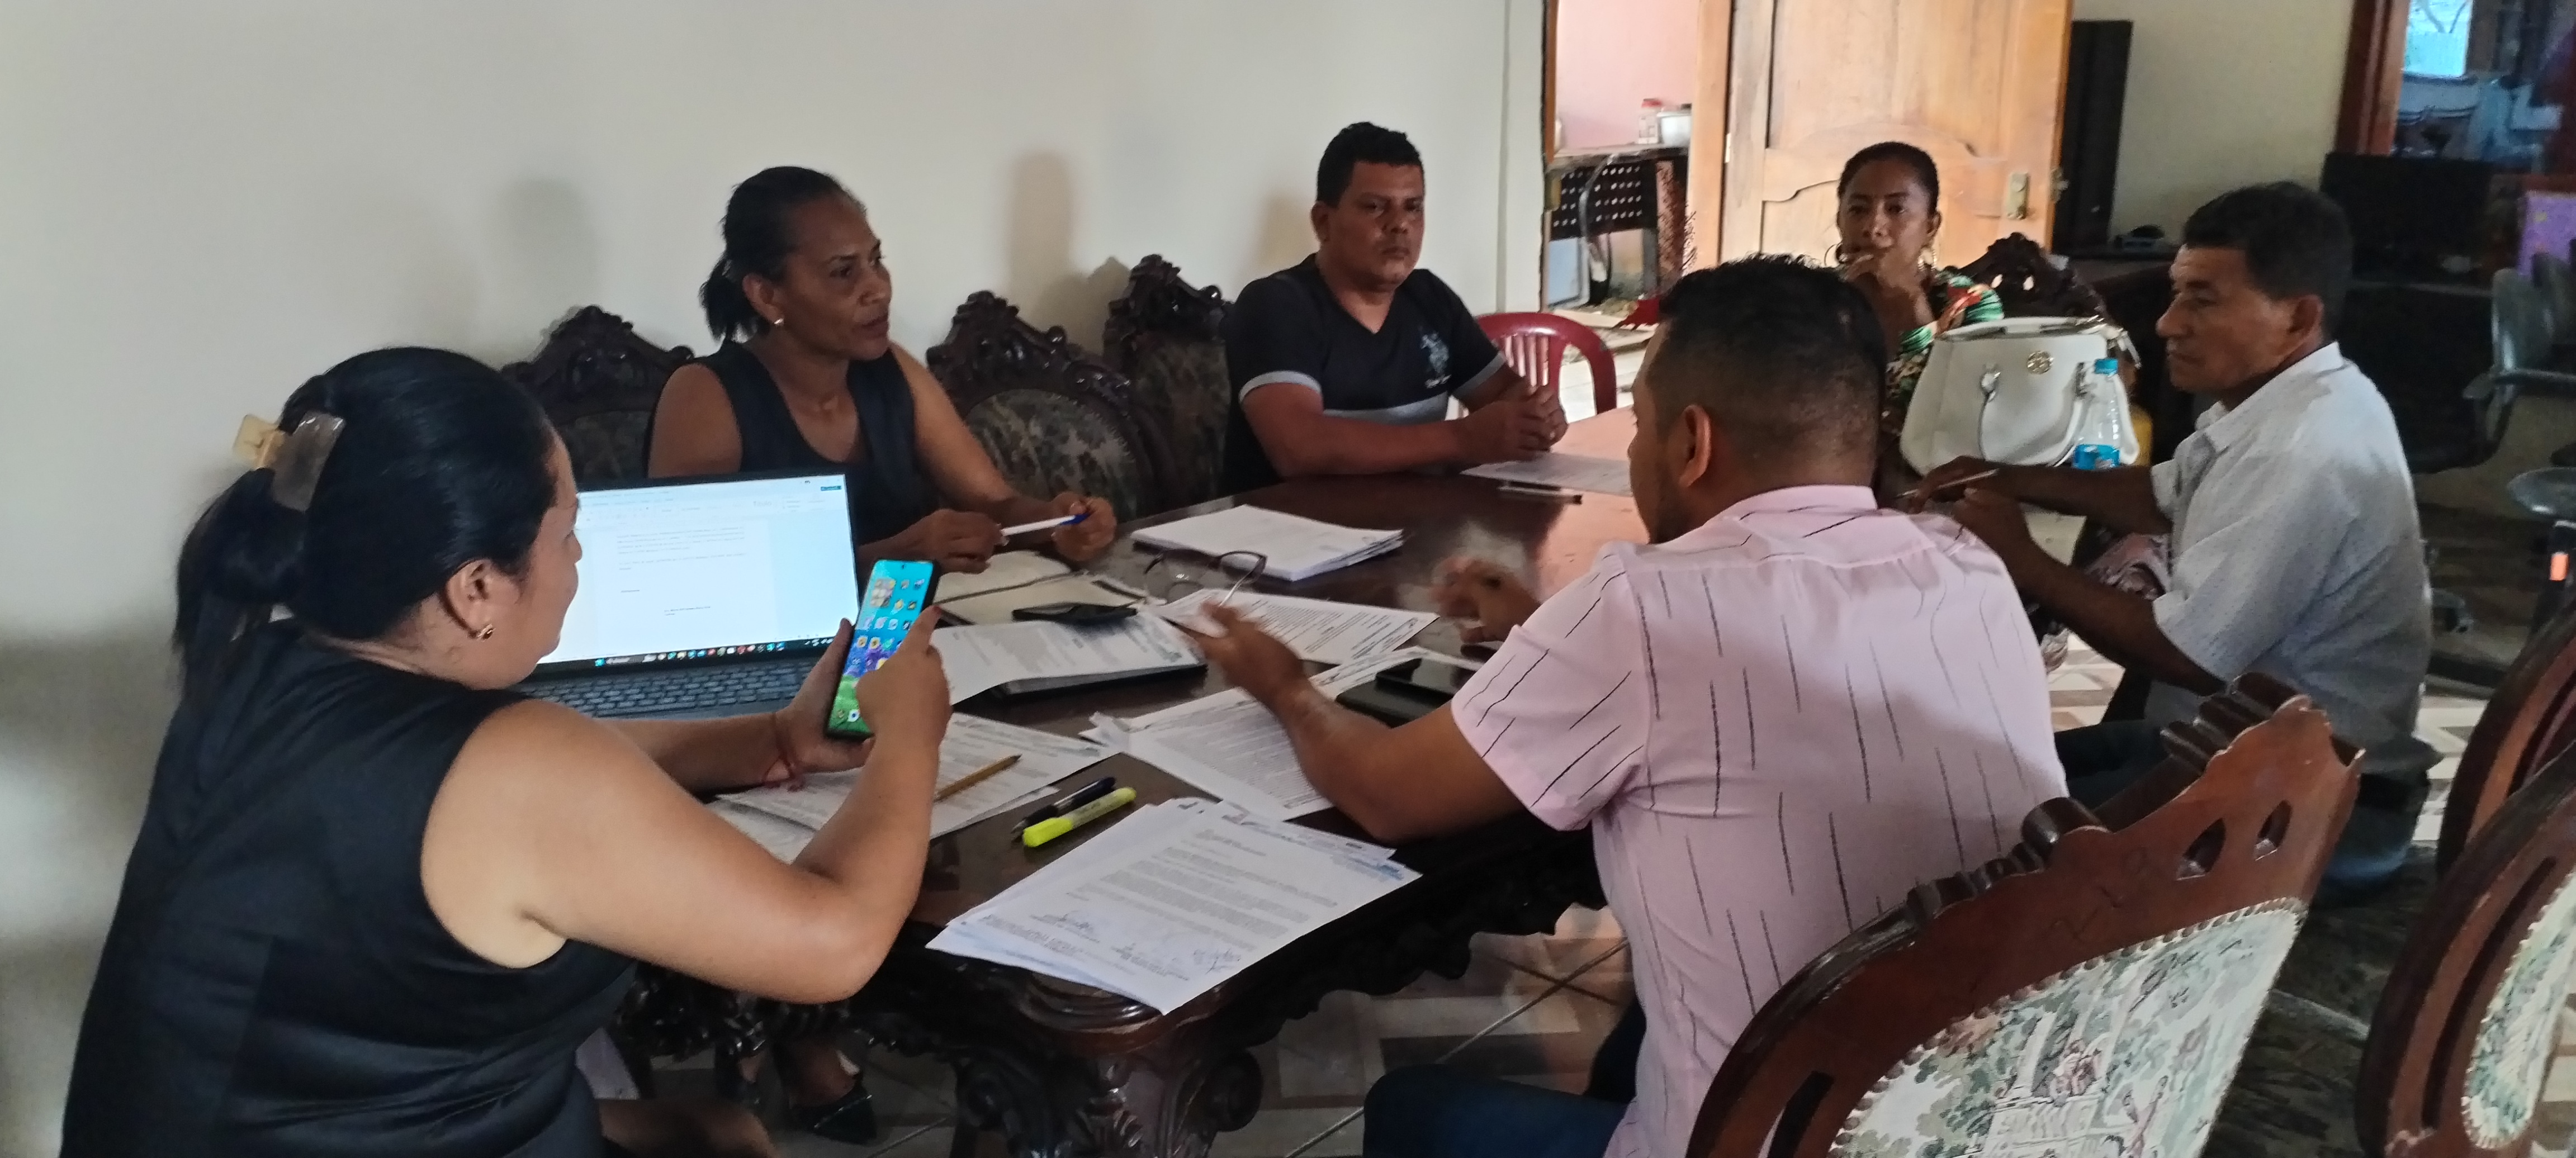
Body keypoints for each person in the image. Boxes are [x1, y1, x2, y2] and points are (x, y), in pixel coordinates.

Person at [1185, 257, 2066, 1158]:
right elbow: (1745, 690)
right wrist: (1541, 631)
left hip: (1761, 1140)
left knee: (1413, 1107)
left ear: (1693, 443)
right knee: (1647, 1027)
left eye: (1640, 426)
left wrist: (1283, 683)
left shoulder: (1645, 610)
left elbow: (1384, 793)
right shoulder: (1966, 564)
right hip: (1974, 1119)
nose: (1637, 453)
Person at [61, 349, 953, 1158]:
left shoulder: (259, 665)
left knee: (717, 1129)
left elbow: (517, 787)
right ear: (478, 587)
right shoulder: (518, 766)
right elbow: (835, 942)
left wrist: (772, 738)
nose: (579, 558)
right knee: (722, 1137)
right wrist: (909, 732)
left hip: (250, 1123)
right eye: (567, 532)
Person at [1914, 182, 2434, 898]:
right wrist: (2002, 476)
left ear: (2298, 318)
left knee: (1985, 844)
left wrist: (2020, 556)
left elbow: (2184, 653)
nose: (2167, 324)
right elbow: (2162, 494)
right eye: (2176, 294)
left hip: (2309, 803)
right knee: (1984, 785)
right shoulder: (2300, 398)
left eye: (2203, 300)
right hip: (2239, 748)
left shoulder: (2300, 447)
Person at [651, 166, 1116, 575]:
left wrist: (1057, 523)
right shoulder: (707, 395)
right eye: (843, 272)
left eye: (876, 261)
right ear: (768, 296)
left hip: (913, 634)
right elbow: (692, 577)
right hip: (794, 650)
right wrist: (892, 556)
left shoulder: (890, 371)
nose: (878, 289)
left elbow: (994, 504)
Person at [1219, 122, 1566, 493]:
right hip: (1286, 527)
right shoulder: (1276, 305)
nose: (1400, 225)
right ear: (1323, 222)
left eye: (1413, 208)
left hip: (1415, 522)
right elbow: (1301, 447)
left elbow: (1504, 394)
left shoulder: (1430, 297)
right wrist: (1462, 438)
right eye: (1375, 207)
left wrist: (1535, 415)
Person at [1832, 141, 2002, 434]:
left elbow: (1964, 412)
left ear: (1930, 227)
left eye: (1896, 209)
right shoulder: (1814, 295)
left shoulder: (1970, 304)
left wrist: (1912, 300)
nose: (1873, 227)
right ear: (1839, 220)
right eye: (1858, 210)